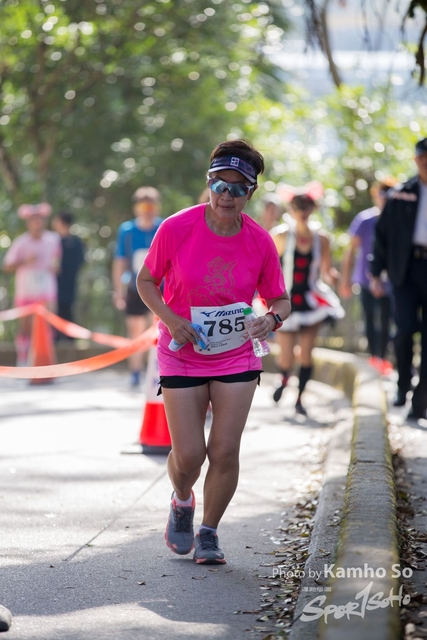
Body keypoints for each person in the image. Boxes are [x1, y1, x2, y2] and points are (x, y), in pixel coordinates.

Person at [137, 139, 290, 565]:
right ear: (208, 183)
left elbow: (280, 299)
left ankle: (208, 532)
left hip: (236, 353)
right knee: (190, 456)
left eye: (238, 187)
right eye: (219, 184)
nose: (226, 194)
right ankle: (182, 499)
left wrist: (270, 320)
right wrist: (171, 319)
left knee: (224, 450)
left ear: (251, 193)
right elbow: (146, 281)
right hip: (182, 350)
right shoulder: (177, 227)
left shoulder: (260, 241)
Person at [270, 181, 344, 415]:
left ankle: (300, 398)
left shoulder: (321, 238)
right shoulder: (280, 236)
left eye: (307, 205)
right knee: (285, 357)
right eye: (298, 206)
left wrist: (333, 277)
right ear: (290, 209)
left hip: (311, 301)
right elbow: (268, 267)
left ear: (314, 208)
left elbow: (326, 270)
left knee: (306, 353)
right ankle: (284, 378)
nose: (303, 210)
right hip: (286, 301)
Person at [370, 138, 427, 420]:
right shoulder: (401, 194)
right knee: (404, 331)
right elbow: (382, 237)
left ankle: (421, 400)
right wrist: (375, 274)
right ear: (416, 160)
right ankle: (403, 384)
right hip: (405, 270)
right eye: (423, 157)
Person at [339, 179, 396, 374]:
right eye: (382, 194)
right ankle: (374, 357)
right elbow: (350, 251)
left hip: (392, 282)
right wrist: (345, 280)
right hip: (365, 280)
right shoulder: (365, 220)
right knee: (369, 319)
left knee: (388, 321)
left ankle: (383, 359)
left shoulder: (398, 220)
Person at [112, 186, 163, 387]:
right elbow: (120, 261)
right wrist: (119, 291)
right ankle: (135, 371)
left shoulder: (163, 227)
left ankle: (157, 371)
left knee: (160, 331)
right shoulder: (127, 231)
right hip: (135, 288)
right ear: (136, 208)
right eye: (143, 206)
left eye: (151, 206)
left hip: (161, 287)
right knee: (136, 331)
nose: (147, 210)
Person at [2, 203, 61, 365]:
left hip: (46, 288)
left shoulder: (53, 239)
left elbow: (56, 259)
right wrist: (24, 261)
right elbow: (7, 266)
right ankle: (23, 359)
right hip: (26, 289)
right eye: (33, 220)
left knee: (48, 325)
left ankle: (44, 360)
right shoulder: (21, 242)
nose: (36, 223)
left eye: (39, 219)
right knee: (25, 327)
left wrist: (55, 266)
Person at [51, 211, 85, 340]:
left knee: (67, 310)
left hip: (69, 284)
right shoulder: (52, 241)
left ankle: (70, 341)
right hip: (52, 285)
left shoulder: (75, 243)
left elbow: (80, 261)